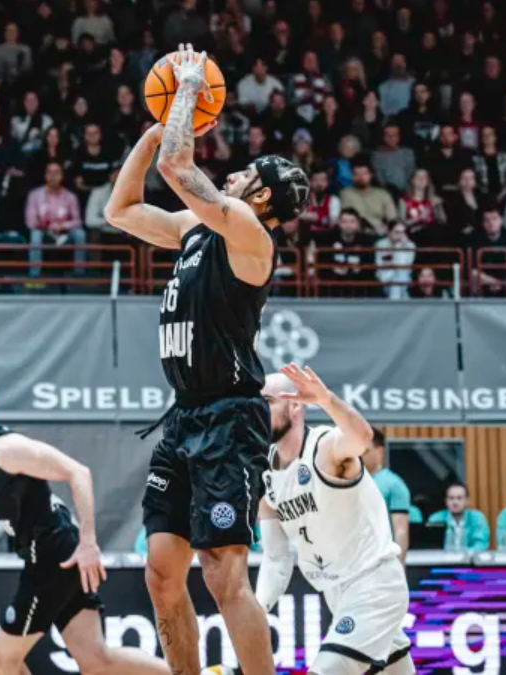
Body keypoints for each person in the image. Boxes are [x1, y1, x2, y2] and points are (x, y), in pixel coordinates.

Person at [103, 44, 310, 675]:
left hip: (229, 420)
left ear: (262, 197)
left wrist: (186, 92)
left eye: (245, 174)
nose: (234, 176)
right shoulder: (196, 230)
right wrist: (155, 128)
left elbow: (177, 165)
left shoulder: (248, 232)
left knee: (222, 575)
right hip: (185, 417)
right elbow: (120, 210)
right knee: (162, 573)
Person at [0, 377, 170, 675]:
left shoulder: (7, 448)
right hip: (55, 550)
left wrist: (89, 543)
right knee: (96, 660)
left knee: (0, 660)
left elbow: (79, 473)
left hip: (53, 552)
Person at [254, 365, 414, 675]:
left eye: (267, 402)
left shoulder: (324, 447)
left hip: (374, 582)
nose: (257, 411)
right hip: (336, 591)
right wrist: (256, 610)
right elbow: (276, 558)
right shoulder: (265, 473)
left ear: (295, 405)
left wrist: (326, 400)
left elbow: (362, 437)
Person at [363, 429, 410, 562]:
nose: (358, 456)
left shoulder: (394, 484)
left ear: (379, 451)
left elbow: (401, 531)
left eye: (365, 451)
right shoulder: (349, 482)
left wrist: (400, 566)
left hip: (381, 560)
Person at [425, 483, 490, 551]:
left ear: (467, 501)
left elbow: (481, 545)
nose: (455, 502)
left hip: (469, 557)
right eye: (451, 498)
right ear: (446, 501)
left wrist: (463, 555)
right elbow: (430, 547)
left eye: (459, 498)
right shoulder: (435, 519)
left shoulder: (477, 518)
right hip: (442, 557)